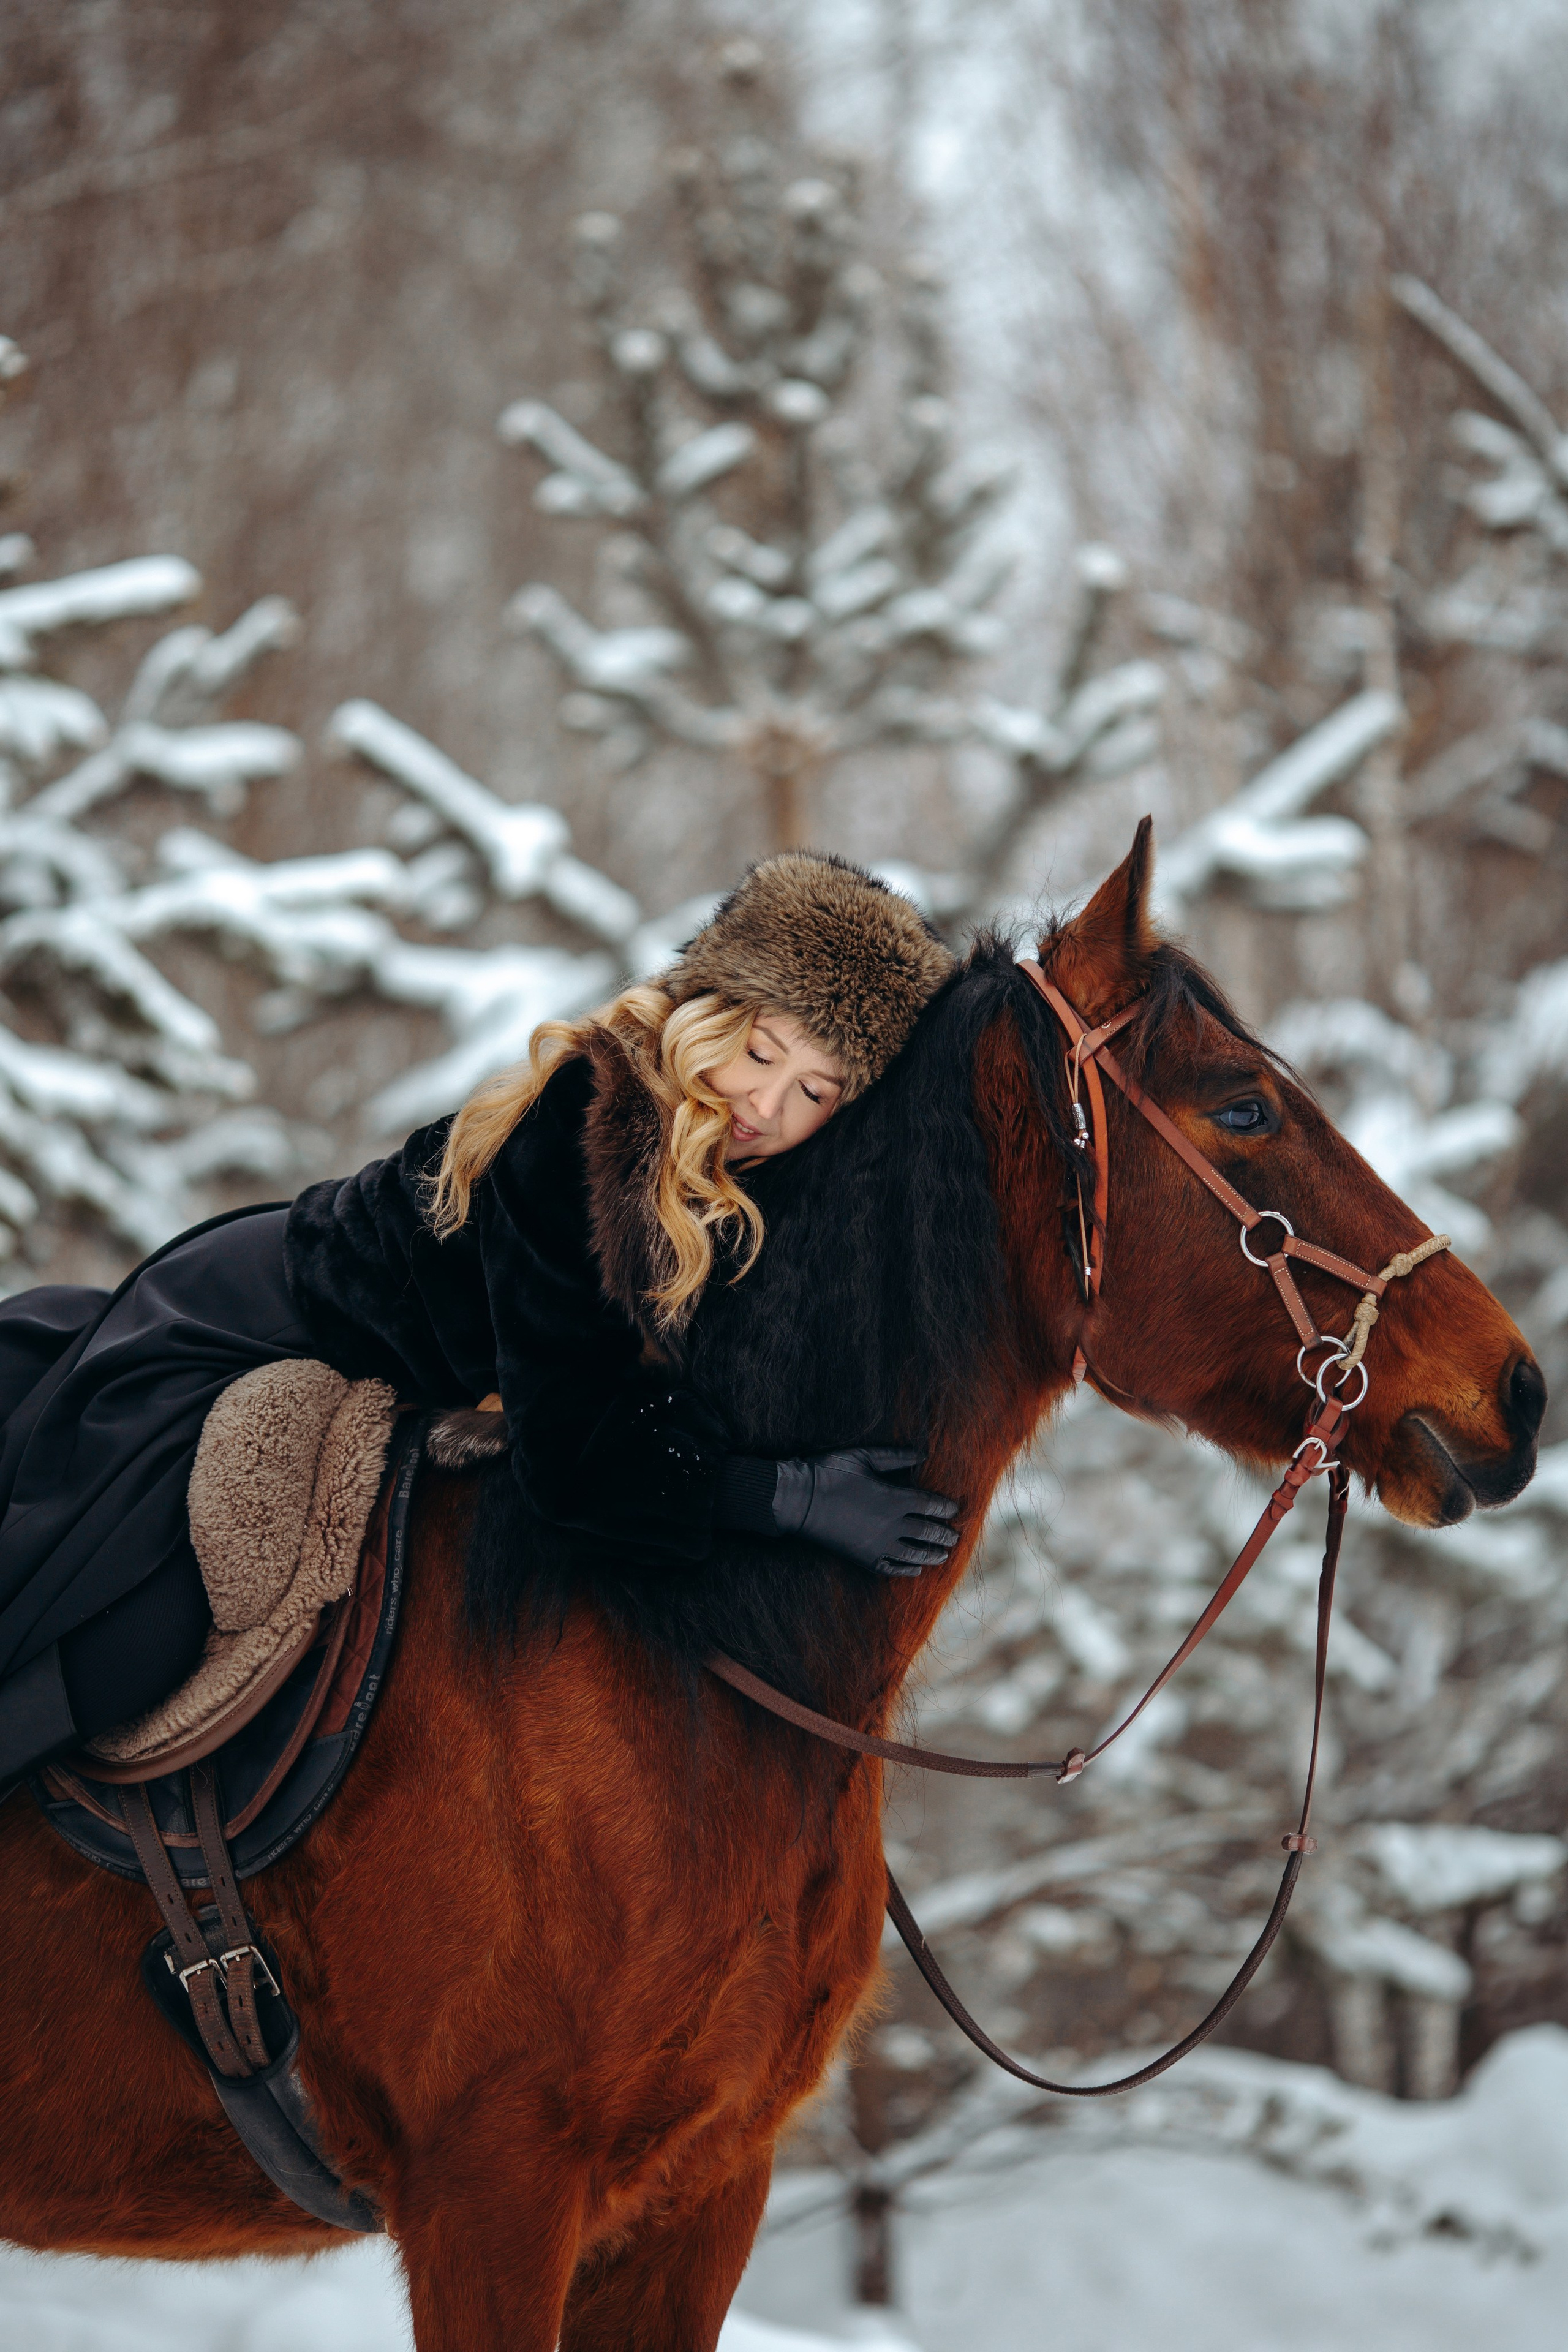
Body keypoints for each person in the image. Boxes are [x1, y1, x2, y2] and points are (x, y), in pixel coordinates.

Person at [0, 851, 962, 1784]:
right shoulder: (593, 1118)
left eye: (815, 1092)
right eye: (762, 1052)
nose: (766, 1100)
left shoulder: (751, 1176)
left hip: (381, 1375)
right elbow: (574, 1448)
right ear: (709, 1012)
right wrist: (788, 1497)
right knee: (129, 1628)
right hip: (259, 1316)